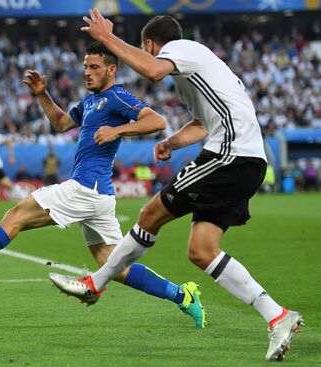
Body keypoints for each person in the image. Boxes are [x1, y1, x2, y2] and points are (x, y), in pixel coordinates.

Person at [49, 10, 303, 361]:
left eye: (145, 50)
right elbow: (202, 123)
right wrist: (174, 142)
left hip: (230, 155)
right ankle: (277, 315)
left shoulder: (184, 49)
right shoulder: (199, 73)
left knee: (150, 213)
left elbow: (152, 70)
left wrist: (107, 38)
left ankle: (95, 284)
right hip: (247, 159)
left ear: (151, 44)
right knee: (201, 250)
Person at [0, 42, 206, 329]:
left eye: (94, 67)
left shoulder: (118, 97)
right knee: (116, 268)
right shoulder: (90, 102)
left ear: (112, 69)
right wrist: (43, 94)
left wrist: (117, 130)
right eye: (85, 67)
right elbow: (60, 123)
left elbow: (156, 121)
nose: (87, 73)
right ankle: (183, 296)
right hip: (99, 195)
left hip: (85, 188)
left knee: (15, 216)